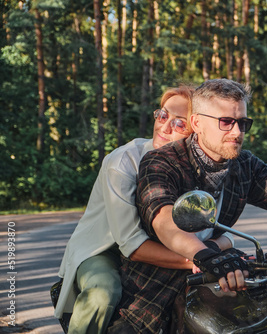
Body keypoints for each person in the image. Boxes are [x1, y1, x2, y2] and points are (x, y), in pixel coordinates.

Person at [111, 78, 267, 334]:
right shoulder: (161, 162)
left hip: (210, 292)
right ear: (197, 123)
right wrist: (208, 256)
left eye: (242, 123)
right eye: (226, 122)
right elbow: (163, 218)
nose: (237, 132)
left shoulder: (244, 165)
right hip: (151, 300)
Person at [54, 85, 233, 334]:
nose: (164, 126)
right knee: (102, 294)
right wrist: (202, 259)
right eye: (162, 115)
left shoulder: (204, 168)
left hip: (163, 249)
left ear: (197, 130)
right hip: (106, 250)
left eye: (178, 123)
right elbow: (131, 244)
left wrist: (213, 251)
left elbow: (216, 233)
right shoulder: (122, 162)